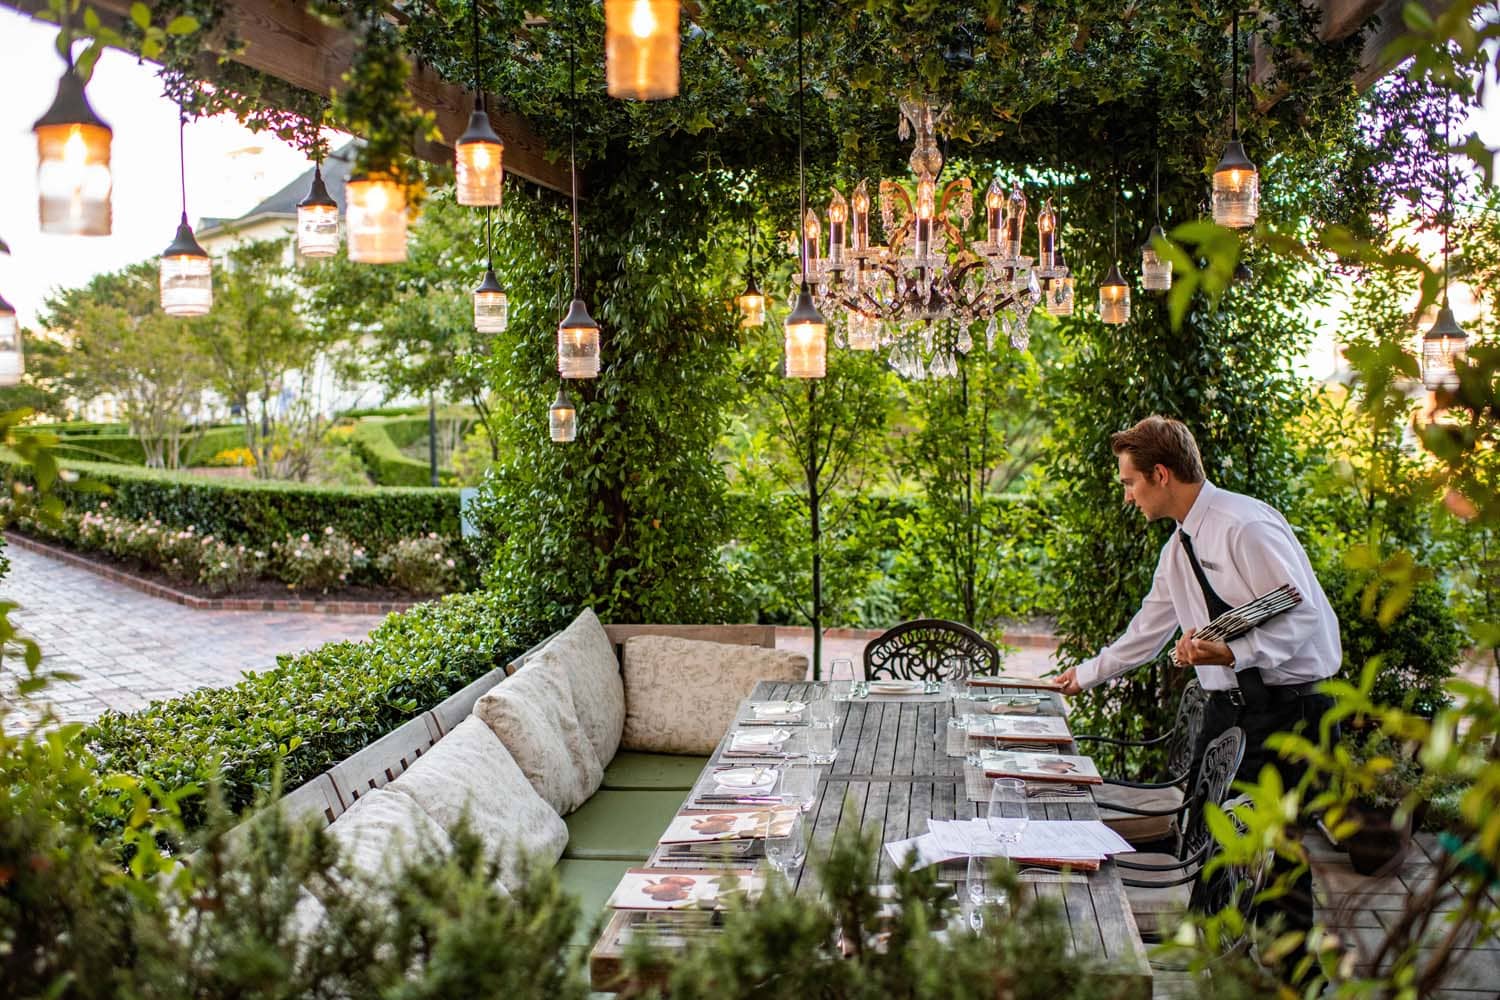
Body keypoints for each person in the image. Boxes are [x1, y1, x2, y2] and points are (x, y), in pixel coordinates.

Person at [1053, 415, 1339, 965]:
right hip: (1229, 712)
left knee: (1277, 860)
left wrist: (1232, 652)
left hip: (1290, 711)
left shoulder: (1242, 525)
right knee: (1218, 849)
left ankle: (1297, 982)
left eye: (1130, 483)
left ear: (1160, 475)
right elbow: (1149, 628)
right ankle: (1217, 969)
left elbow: (1302, 612)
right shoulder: (1180, 546)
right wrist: (1081, 676)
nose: (1128, 495)